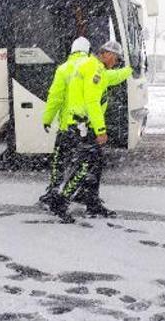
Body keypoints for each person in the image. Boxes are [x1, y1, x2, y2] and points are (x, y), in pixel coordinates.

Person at [46, 40, 132, 222]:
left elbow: (112, 77)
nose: (115, 63)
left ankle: (91, 202)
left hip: (82, 125)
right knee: (85, 165)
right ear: (107, 54)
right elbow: (92, 102)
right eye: (115, 59)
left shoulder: (93, 67)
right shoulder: (93, 69)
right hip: (83, 126)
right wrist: (101, 130)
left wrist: (131, 70)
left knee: (95, 164)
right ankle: (60, 201)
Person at [37, 36, 91, 209]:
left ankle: (54, 192)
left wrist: (47, 119)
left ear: (72, 50)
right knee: (82, 163)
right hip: (84, 126)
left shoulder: (64, 69)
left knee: (59, 161)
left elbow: (55, 97)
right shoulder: (92, 67)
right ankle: (78, 191)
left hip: (66, 127)